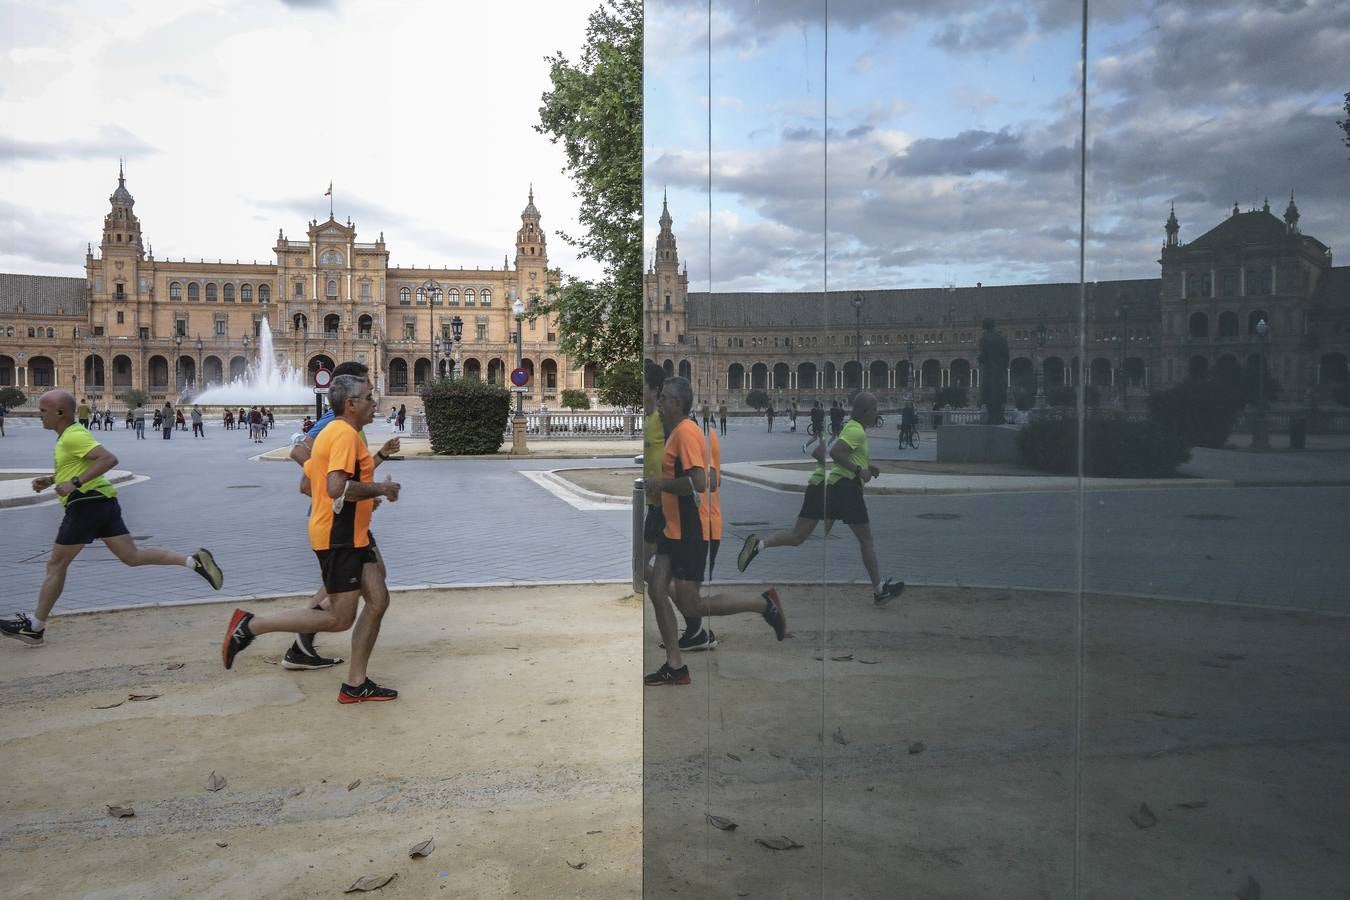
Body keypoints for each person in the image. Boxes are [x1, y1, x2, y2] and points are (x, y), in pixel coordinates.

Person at [222, 374, 402, 703]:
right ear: (350, 404)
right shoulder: (343, 435)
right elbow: (336, 488)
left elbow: (324, 483)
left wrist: (377, 468)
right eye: (368, 397)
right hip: (339, 536)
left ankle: (355, 684)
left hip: (354, 533)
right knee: (339, 618)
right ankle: (250, 626)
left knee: (378, 600)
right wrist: (381, 489)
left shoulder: (340, 432)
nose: (374, 402)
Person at [1, 390, 223, 647]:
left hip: (86, 504)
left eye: (42, 411)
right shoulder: (69, 437)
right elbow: (79, 465)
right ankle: (192, 562)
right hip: (103, 501)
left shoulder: (73, 435)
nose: (40, 416)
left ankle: (34, 627)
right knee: (132, 556)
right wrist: (51, 480)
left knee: (56, 565)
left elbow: (108, 459)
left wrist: (74, 483)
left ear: (60, 413)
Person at [644, 377, 786, 686]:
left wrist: (662, 485)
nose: (660, 402)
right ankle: (675, 666)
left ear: (678, 403)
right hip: (673, 527)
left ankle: (764, 604)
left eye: (665, 398)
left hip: (688, 530)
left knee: (692, 604)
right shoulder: (679, 432)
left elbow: (699, 482)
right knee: (656, 588)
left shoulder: (685, 433)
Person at [738, 391, 904, 605]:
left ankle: (759, 545)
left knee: (798, 536)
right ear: (866, 411)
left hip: (826, 487)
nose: (877, 412)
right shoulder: (857, 431)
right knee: (866, 540)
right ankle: (879, 591)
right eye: (875, 408)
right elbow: (836, 453)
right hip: (846, 490)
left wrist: (866, 467)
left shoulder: (852, 428)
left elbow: (841, 455)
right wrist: (858, 471)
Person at [286, 361, 401, 670]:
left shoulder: (349, 425)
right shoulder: (332, 420)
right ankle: (299, 636)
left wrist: (378, 460)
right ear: (349, 393)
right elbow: (298, 451)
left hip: (348, 513)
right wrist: (336, 490)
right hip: (338, 518)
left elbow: (348, 473)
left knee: (369, 582)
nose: (371, 395)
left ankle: (303, 640)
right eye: (365, 387)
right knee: (349, 592)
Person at [978, 317, 1011, 425]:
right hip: (1000, 371)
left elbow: (983, 356)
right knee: (999, 392)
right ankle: (999, 416)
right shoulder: (1002, 338)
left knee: (989, 393)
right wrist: (1003, 367)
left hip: (989, 370)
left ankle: (992, 417)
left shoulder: (984, 339)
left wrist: (979, 359)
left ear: (985, 326)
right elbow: (1007, 355)